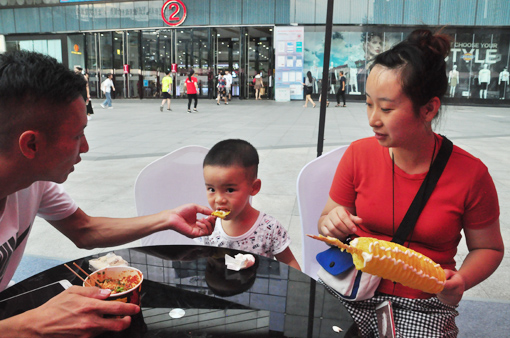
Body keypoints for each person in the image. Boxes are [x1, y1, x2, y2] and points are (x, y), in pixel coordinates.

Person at [0, 50, 216, 337]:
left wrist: (167, 218)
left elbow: (84, 229)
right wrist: (30, 325)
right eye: (77, 136)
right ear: (31, 145)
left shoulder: (33, 182)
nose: (86, 147)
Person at [317, 30, 503, 337]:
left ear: (429, 109)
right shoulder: (358, 154)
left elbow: (489, 247)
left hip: (424, 303)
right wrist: (331, 223)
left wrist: (462, 281)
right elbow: (327, 219)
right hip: (350, 286)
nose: (373, 119)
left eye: (387, 108)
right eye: (368, 104)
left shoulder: (471, 174)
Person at [195, 139, 301, 271]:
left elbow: (289, 262)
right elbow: (200, 262)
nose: (219, 199)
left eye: (230, 190)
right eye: (211, 189)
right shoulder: (209, 227)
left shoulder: (270, 228)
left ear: (254, 187)